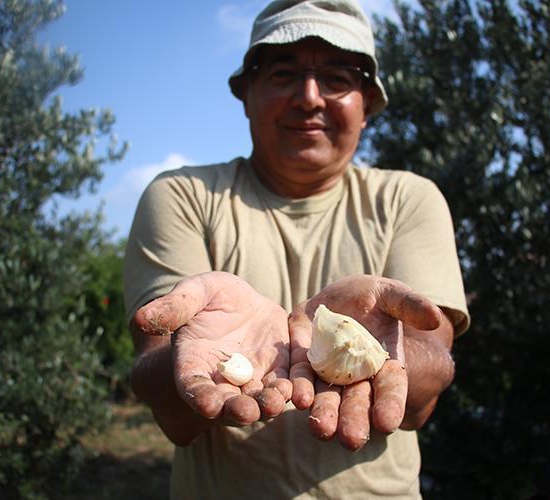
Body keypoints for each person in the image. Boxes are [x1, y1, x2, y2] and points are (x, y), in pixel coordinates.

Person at [123, 0, 469, 498]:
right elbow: (166, 403)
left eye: (337, 77)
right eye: (283, 72)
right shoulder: (182, 197)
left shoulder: (408, 200)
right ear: (246, 93)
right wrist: (195, 355)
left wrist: (381, 354)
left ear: (368, 102)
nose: (309, 98)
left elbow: (424, 392)